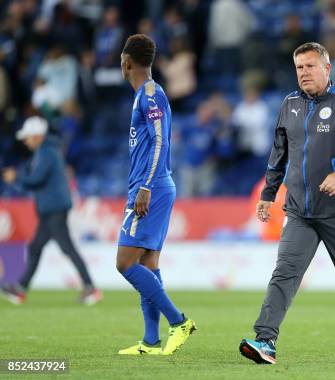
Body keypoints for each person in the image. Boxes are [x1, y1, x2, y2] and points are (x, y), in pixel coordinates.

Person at [239, 42, 335, 364]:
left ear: (327, 69)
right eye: (299, 67)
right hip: (300, 209)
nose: (304, 73)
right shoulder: (289, 104)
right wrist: (267, 195)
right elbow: (279, 155)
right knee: (284, 273)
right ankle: (265, 341)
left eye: (310, 66)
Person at [115, 34, 195, 356]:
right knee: (147, 263)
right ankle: (150, 341)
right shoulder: (145, 95)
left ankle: (179, 321)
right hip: (151, 184)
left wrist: (146, 186)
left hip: (153, 186)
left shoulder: (149, 93)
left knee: (124, 264)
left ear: (126, 61)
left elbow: (161, 142)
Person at [1, 116, 102, 306]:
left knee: (66, 248)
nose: (25, 141)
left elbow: (35, 179)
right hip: (50, 209)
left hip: (53, 209)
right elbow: (35, 177)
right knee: (36, 247)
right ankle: (21, 289)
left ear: (37, 136)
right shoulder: (47, 151)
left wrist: (16, 176)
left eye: (28, 137)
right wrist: (20, 175)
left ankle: (91, 288)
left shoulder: (46, 152)